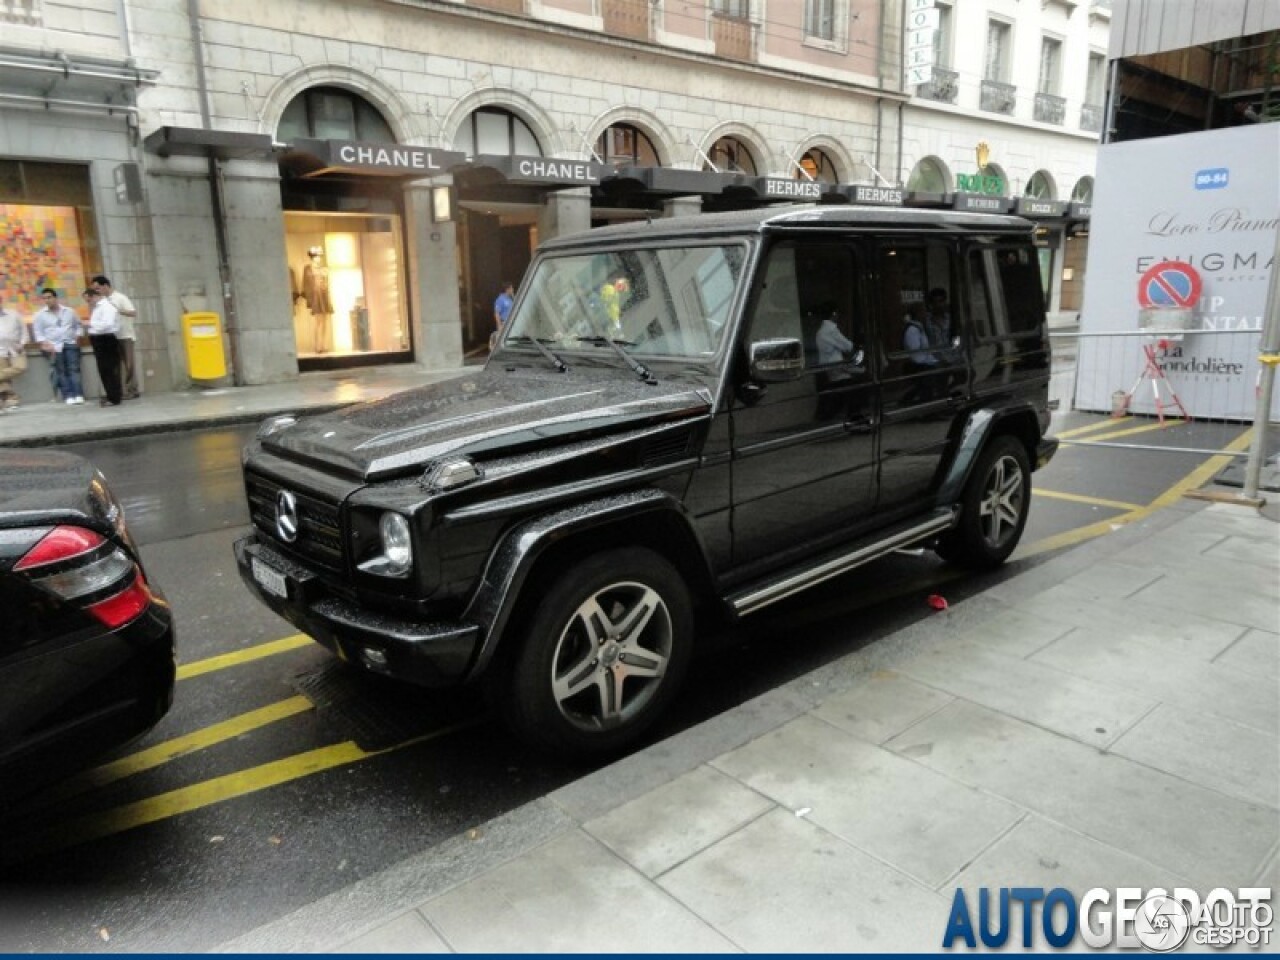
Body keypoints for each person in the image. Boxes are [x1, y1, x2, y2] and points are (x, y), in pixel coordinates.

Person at [33, 287, 85, 405]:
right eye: (44, 298)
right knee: (61, 371)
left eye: (49, 297)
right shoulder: (40, 315)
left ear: (55, 298)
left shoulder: (69, 311)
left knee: (74, 369)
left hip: (70, 343)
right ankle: (68, 395)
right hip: (54, 346)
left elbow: (78, 325)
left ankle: (78, 394)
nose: (47, 300)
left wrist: (78, 336)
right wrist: (45, 343)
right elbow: (38, 333)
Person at [92, 275, 139, 399]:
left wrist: (118, 311)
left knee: (128, 364)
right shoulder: (102, 301)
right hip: (111, 336)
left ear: (105, 286)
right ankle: (119, 391)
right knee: (115, 365)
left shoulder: (120, 297)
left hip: (125, 335)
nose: (97, 291)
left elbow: (133, 312)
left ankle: (132, 390)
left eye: (98, 288)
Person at [84, 288, 123, 406]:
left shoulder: (106, 307)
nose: (88, 303)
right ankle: (110, 394)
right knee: (104, 370)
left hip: (106, 339)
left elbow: (108, 324)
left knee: (109, 369)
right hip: (98, 339)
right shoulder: (97, 308)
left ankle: (114, 397)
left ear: (94, 296)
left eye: (88, 300)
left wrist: (90, 324)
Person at [301, 246, 333, 354]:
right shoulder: (308, 269)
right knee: (318, 321)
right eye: (316, 256)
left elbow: (327, 284)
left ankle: (323, 345)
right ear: (312, 257)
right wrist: (309, 299)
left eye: (319, 256)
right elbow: (306, 284)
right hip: (316, 296)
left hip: (323, 296)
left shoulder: (323, 268)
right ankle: (317, 345)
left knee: (325, 321)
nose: (318, 258)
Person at [0, 305, 29, 411]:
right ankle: (11, 400)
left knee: (21, 367)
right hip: (0, 351)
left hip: (16, 349)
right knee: (5, 379)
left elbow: (24, 331)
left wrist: (22, 344)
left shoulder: (13, 314)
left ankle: (9, 400)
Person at [491, 281, 514, 351]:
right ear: (507, 289)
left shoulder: (510, 299)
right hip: (504, 323)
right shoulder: (500, 299)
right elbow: (497, 313)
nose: (513, 289)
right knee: (503, 342)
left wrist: (513, 296)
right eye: (511, 288)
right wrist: (499, 325)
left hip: (511, 323)